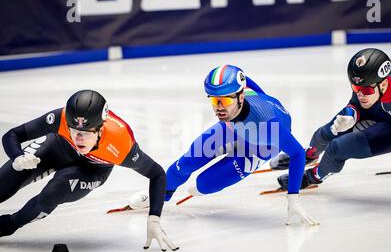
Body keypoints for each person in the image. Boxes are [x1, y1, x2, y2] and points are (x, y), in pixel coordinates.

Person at [129, 65, 318, 225]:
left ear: (240, 96)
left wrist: (293, 198)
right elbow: (247, 81)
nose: (219, 106)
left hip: (259, 147)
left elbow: (297, 154)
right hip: (232, 128)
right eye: (213, 99)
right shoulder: (237, 96)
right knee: (187, 162)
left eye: (225, 100)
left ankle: (200, 188)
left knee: (204, 184)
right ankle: (162, 195)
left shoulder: (269, 125)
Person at [0, 90, 178, 251]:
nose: (78, 138)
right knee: (8, 178)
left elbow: (157, 174)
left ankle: (7, 225)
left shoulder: (120, 143)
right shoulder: (61, 118)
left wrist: (154, 217)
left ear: (101, 129)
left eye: (86, 132)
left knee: (57, 188)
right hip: (58, 147)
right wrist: (18, 157)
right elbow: (13, 134)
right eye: (74, 130)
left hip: (92, 169)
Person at [274, 48, 391, 212]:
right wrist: (352, 114)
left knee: (337, 149)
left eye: (364, 90)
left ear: (383, 83)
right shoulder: (368, 78)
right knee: (325, 132)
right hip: (380, 105)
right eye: (355, 88)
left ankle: (313, 176)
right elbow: (357, 102)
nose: (360, 95)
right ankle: (309, 155)